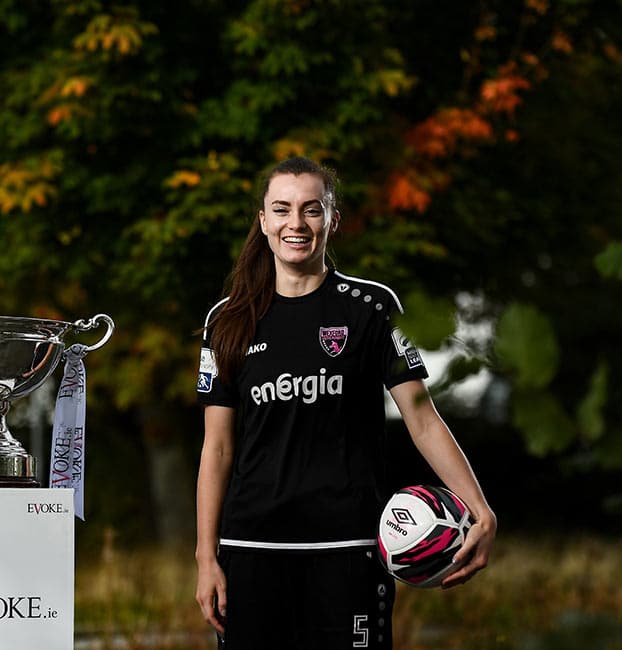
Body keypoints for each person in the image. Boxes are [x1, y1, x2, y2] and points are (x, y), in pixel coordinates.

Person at [194, 156, 496, 649]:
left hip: (349, 551)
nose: (297, 223)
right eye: (283, 209)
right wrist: (207, 557)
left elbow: (421, 418)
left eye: (312, 210)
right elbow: (217, 449)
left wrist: (481, 510)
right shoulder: (227, 319)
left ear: (332, 220)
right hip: (251, 552)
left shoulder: (373, 308)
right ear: (264, 221)